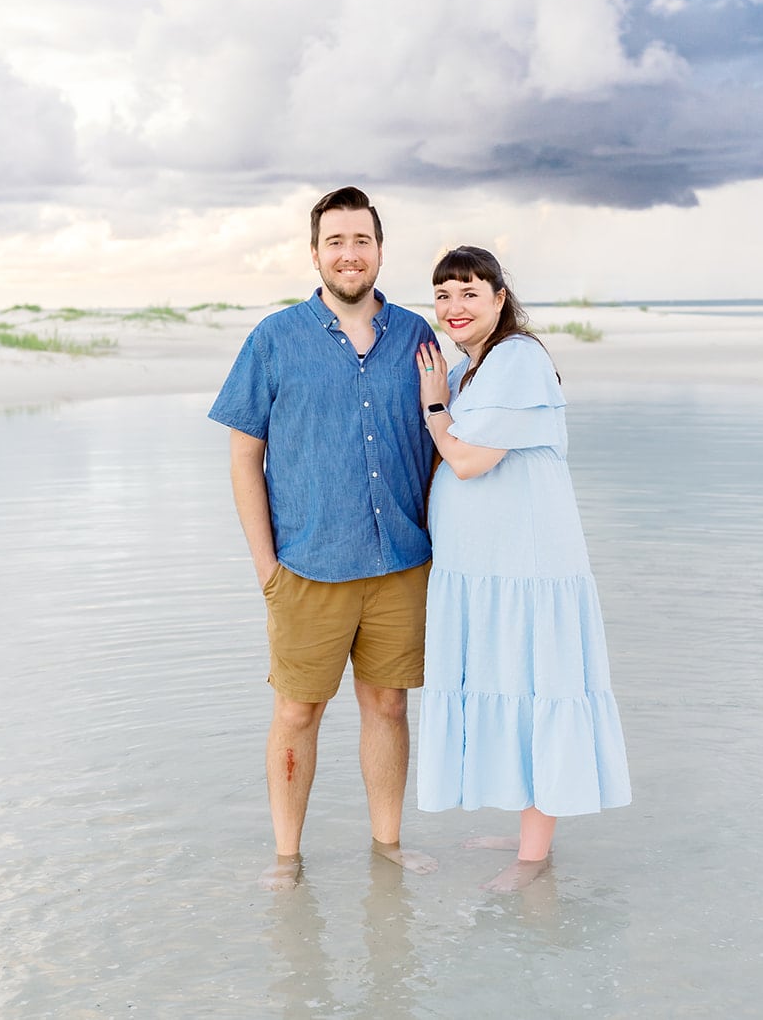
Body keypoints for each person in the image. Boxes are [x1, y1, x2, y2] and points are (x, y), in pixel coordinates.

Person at [209, 186, 440, 891]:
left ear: (379, 249)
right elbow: (244, 453)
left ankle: (387, 846)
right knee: (297, 709)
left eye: (361, 240)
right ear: (315, 253)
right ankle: (288, 858)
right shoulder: (274, 340)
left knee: (389, 705)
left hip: (401, 561)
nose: (349, 253)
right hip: (306, 565)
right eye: (335, 241)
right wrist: (265, 567)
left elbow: (446, 438)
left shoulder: (418, 338)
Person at [414, 245, 631, 892]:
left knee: (536, 687)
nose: (454, 307)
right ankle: (530, 827)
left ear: (499, 298)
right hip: (487, 570)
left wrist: (432, 406)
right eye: (443, 294)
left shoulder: (518, 359)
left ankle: (533, 860)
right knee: (509, 681)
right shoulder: (471, 371)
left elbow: (468, 460)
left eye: (469, 292)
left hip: (526, 570)